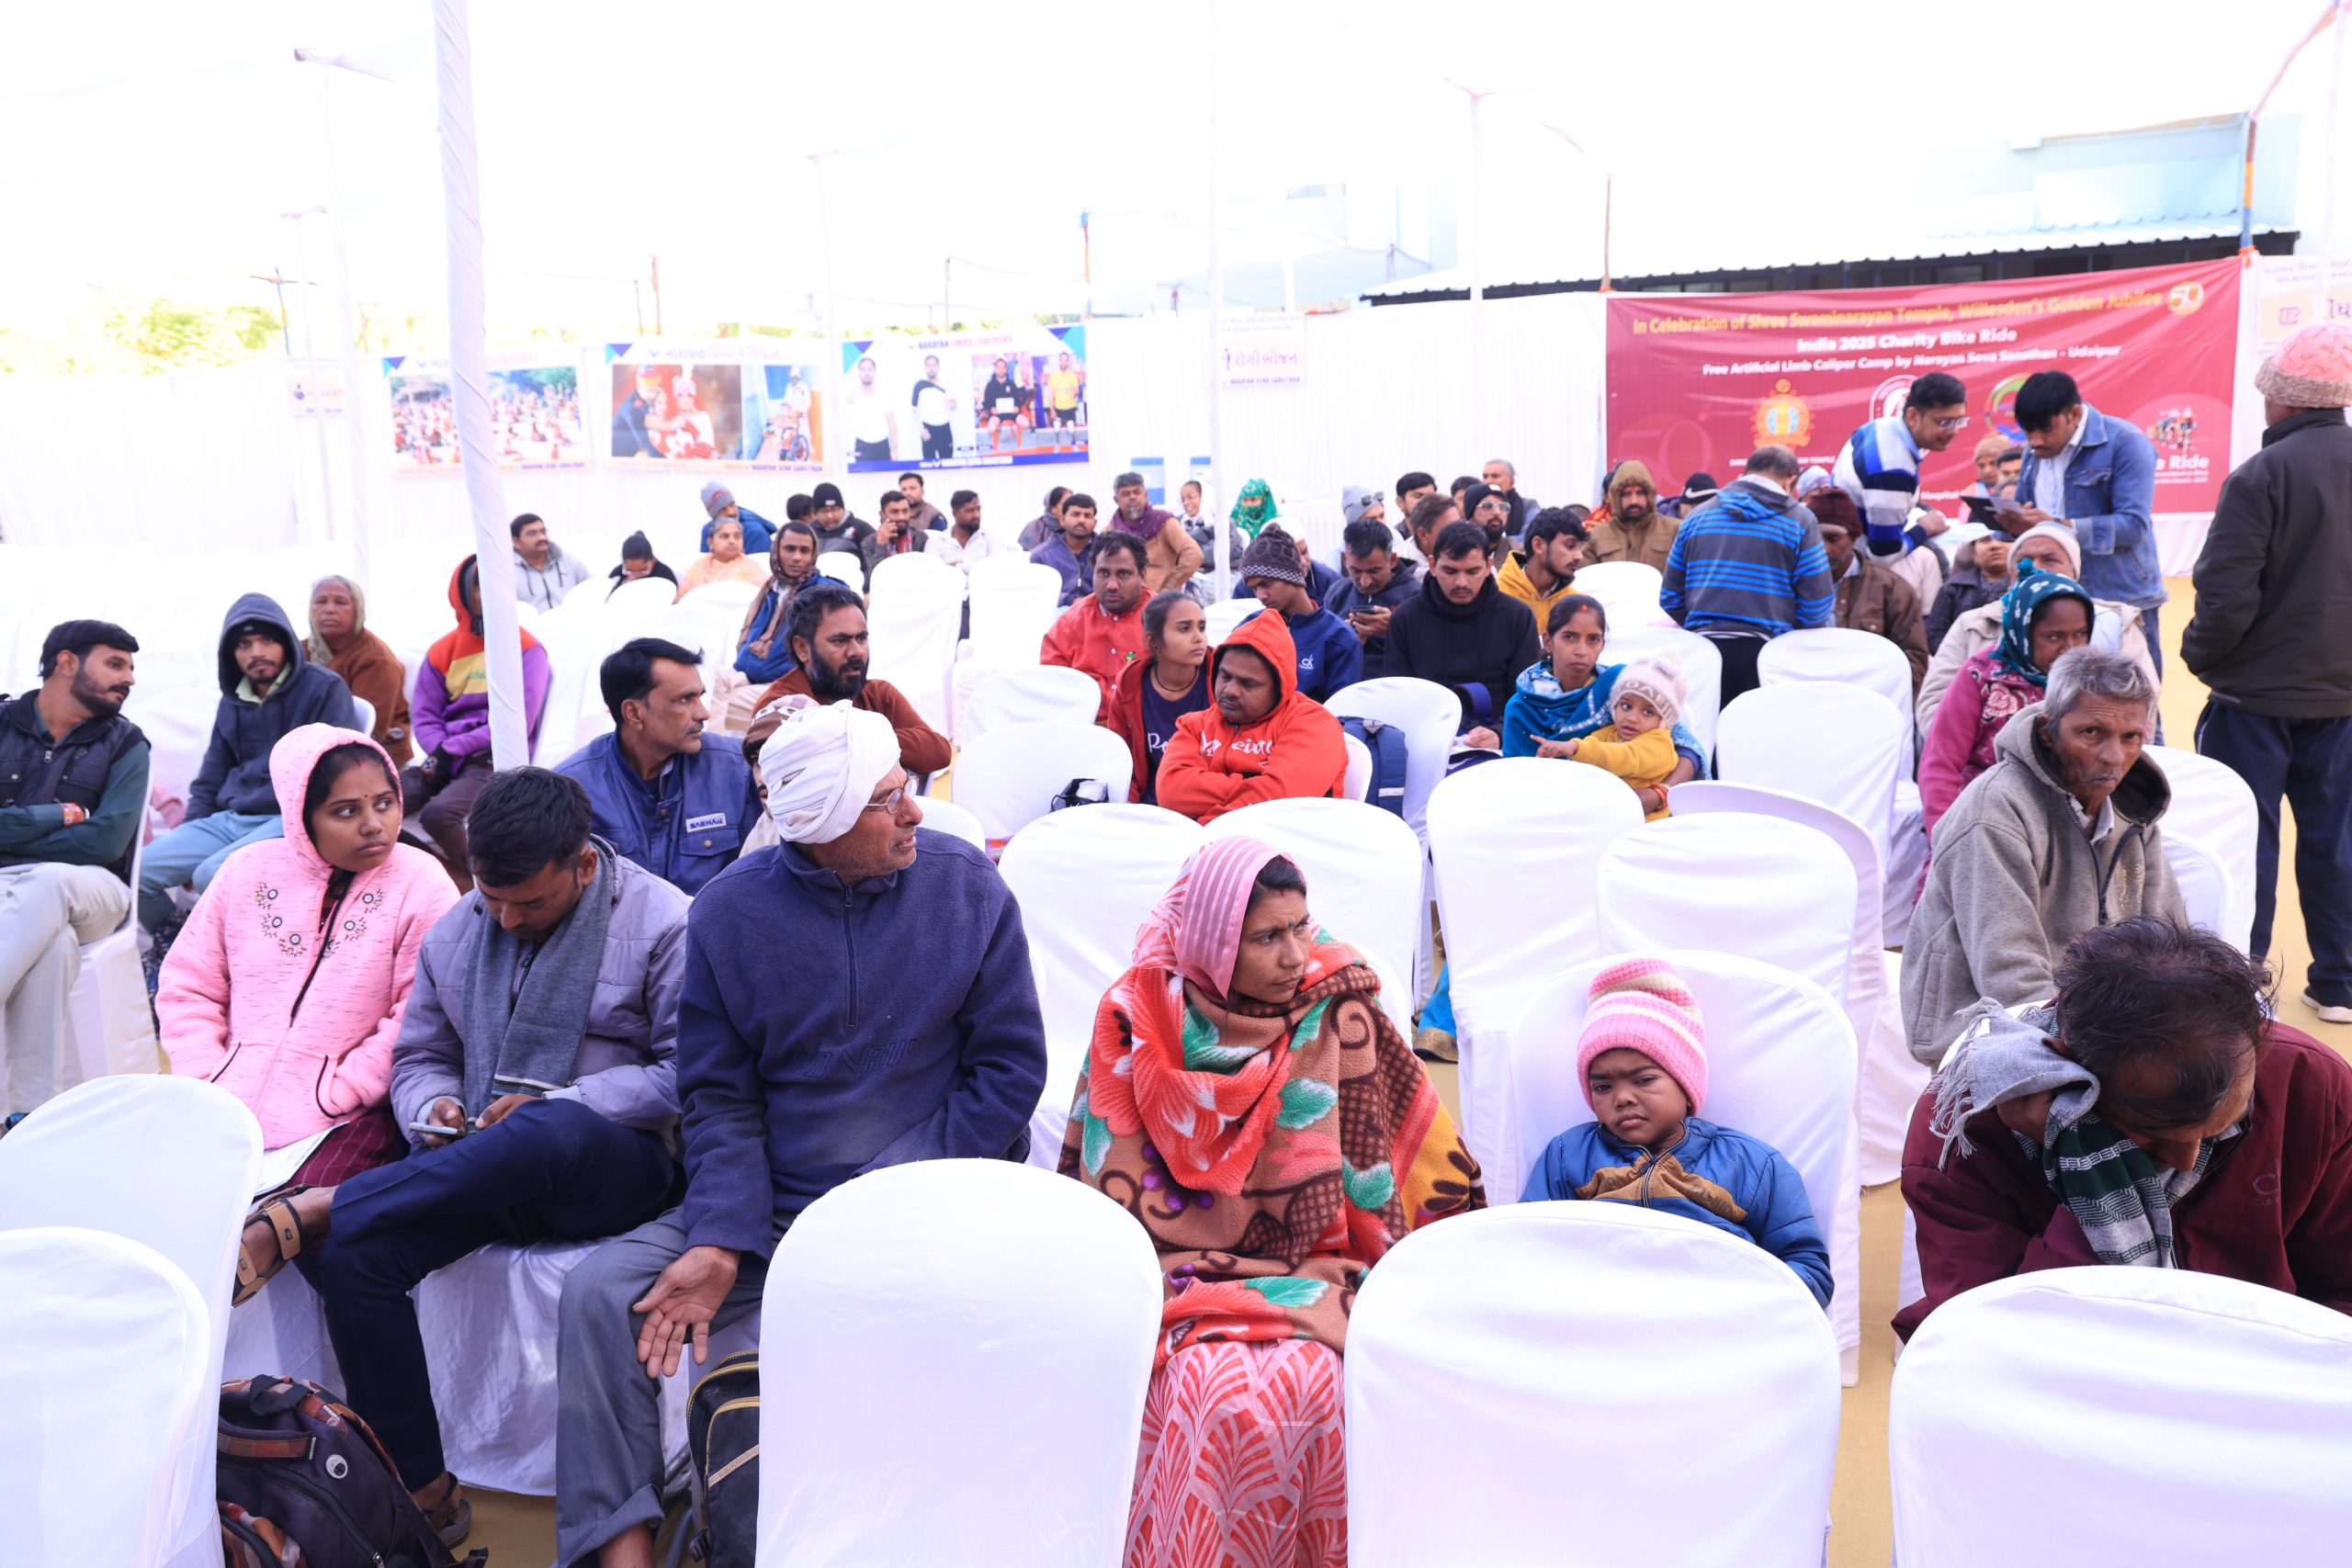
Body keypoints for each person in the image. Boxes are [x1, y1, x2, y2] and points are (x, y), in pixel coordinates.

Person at [555, 698, 1049, 1568]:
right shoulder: (728, 913)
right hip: (775, 1213)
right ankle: (621, 1547)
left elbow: (1008, 1070)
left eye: (905, 788)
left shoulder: (966, 886)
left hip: (932, 1200)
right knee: (600, 1293)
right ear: (821, 825)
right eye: (886, 799)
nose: (915, 812)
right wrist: (719, 1236)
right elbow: (719, 1098)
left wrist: (884, 1196)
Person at [230, 768, 689, 1548]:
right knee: (356, 1256)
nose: (505, 918)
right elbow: (421, 1058)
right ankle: (421, 1487)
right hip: (483, 1160)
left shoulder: (666, 921)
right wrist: (434, 1107)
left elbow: (689, 1073)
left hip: (617, 1167)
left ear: (584, 864)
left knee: (548, 1127)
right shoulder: (461, 926)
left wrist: (567, 1099)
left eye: (530, 902)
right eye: (491, 896)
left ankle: (326, 1201)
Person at [1061, 839, 1483, 1568]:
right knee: (1201, 1388)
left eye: (1300, 927)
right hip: (1170, 1276)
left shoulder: (1339, 1008)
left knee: (1311, 1383)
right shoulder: (1134, 1015)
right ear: (1213, 943)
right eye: (1267, 937)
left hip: (1323, 1270)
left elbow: (1398, 1172)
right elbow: (1104, 1189)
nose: (1295, 954)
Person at [1897, 918, 2352, 1338]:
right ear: (2066, 1070)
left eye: (2222, 1129)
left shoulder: (2310, 1085)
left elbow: (2342, 1293)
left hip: (2269, 1363)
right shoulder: (1963, 1137)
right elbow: (1995, 1341)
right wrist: (2083, 1171)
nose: (2187, 1160)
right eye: (2154, 1135)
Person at [160, 726, 457, 1184]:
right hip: (219, 1106)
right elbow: (189, 984)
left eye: (384, 803)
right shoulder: (247, 870)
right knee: (164, 1194)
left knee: (282, 1218)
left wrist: (343, 1090)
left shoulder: (420, 881)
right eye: (346, 811)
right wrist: (205, 1078)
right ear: (302, 816)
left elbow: (418, 1009)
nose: (373, 824)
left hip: (346, 1117)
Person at [1903, 647, 2185, 1064]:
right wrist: (2103, 1049)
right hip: (1986, 1036)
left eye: (2131, 738)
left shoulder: (2132, 813)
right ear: (2049, 731)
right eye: (2092, 733)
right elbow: (2010, 974)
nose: (2113, 756)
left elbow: (2168, 939)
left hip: (2103, 1028)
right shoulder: (1994, 812)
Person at [2186, 321, 2352, 1024]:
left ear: (2281, 398)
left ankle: (2243, 987)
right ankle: (2341, 982)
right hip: (2342, 699)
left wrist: (2203, 658)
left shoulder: (2261, 475)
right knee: (2337, 841)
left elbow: (2225, 597)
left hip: (2252, 699)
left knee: (2244, 841)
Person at [1522, 958, 1829, 1304]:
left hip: (1714, 1321)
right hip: (1598, 1315)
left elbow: (1809, 1271)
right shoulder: (1567, 1155)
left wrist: (1742, 1304)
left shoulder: (1753, 1165)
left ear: (1686, 1084)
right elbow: (1527, 1244)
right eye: (1603, 1087)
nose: (1622, 1098)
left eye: (1643, 1080)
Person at [141, 593, 359, 930]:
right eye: (244, 644)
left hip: (292, 816)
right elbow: (210, 778)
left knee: (210, 875)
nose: (256, 652)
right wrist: (189, 832)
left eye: (267, 641)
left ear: (286, 642)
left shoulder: (323, 687)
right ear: (231, 653)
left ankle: (248, 953)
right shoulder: (233, 700)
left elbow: (342, 768)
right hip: (233, 818)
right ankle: (177, 944)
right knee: (138, 874)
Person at [1, 620, 147, 1116]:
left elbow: (106, 840)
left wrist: (14, 834)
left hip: (93, 890)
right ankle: (28, 1115)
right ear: (66, 663)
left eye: (130, 667)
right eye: (115, 664)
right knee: (53, 944)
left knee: (49, 881)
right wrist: (55, 815)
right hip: (13, 893)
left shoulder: (126, 743)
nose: (128, 678)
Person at [555, 639, 759, 897]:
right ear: (634, 713)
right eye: (684, 700)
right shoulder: (571, 790)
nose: (703, 713)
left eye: (700, 696)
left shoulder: (737, 768)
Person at [1917, 523, 2156, 731]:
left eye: (2050, 559)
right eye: (2024, 560)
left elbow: (2142, 705)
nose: (2036, 567)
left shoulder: (2114, 624)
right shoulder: (1974, 624)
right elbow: (1934, 704)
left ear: (2074, 571)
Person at [402, 557, 552, 878]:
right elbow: (425, 716)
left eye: (497, 584)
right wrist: (442, 751)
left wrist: (452, 749)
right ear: (461, 593)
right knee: (386, 801)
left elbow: (519, 721)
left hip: (491, 759)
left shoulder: (526, 648)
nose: (490, 593)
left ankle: (484, 883)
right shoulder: (442, 651)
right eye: (479, 586)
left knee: (438, 815)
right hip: (445, 758)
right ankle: (436, 876)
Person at [1918, 566, 2094, 831]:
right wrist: (1946, 835)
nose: (2069, 648)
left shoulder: (2093, 682)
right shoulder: (1981, 676)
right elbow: (1940, 763)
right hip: (1982, 821)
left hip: (2068, 825)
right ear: (2022, 631)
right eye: (2054, 636)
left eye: (2080, 633)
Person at [2009, 369, 2165, 666]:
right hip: (2053, 598)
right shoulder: (2033, 453)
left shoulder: (2126, 442)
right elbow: (2027, 514)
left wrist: (2058, 527)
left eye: (2045, 429)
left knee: (2133, 689)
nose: (2036, 441)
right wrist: (2014, 522)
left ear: (2074, 414)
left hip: (2120, 595)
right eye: (2028, 432)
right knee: (2056, 689)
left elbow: (2133, 525)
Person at [1660, 445, 1834, 704]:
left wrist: (1704, 624)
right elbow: (1816, 606)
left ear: (1747, 472)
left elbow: (1670, 597)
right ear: (1790, 481)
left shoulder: (1696, 518)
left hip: (1703, 657)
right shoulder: (1800, 521)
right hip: (1770, 659)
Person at [1501, 595, 1704, 814]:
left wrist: (1660, 793)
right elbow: (1517, 784)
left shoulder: (1623, 686)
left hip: (1631, 809)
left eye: (1593, 639)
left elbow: (1687, 748)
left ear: (1602, 645)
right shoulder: (1522, 708)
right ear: (1549, 642)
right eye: (1569, 637)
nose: (1581, 650)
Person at [1156, 612, 1349, 825]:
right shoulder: (1195, 725)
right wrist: (1255, 783)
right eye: (1225, 676)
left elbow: (1279, 804)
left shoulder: (1313, 723)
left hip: (1290, 840)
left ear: (1279, 687)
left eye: (1248, 683)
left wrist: (1204, 828)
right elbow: (1170, 792)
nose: (1230, 690)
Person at [752, 583, 953, 779]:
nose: (857, 651)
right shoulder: (778, 705)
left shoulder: (879, 694)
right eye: (839, 641)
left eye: (861, 638)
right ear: (802, 649)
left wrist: (857, 739)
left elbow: (938, 752)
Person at [1385, 520, 1541, 744]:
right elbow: (1397, 697)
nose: (1461, 582)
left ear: (1488, 566)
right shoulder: (1405, 618)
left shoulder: (1517, 617)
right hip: (1424, 740)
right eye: (1450, 571)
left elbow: (1527, 697)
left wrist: (1501, 733)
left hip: (1497, 744)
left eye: (1472, 571)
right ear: (1432, 565)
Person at [1831, 370, 1968, 561]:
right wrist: (1925, 528)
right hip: (1854, 566)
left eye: (1959, 421)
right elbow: (1883, 556)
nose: (1954, 431)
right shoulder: (1892, 469)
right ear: (1912, 416)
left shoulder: (1880, 426)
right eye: (1944, 422)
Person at [1809, 488, 1929, 693]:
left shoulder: (1891, 588)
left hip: (1872, 700)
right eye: (1815, 538)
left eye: (1833, 538)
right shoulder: (1791, 586)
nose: (1824, 548)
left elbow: (1913, 660)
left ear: (1854, 537)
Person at [1544, 657, 1685, 823]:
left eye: (1648, 712)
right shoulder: (1608, 734)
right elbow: (1587, 756)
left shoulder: (1660, 745)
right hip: (1604, 816)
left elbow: (1624, 756)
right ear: (1614, 707)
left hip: (1640, 826)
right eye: (1626, 706)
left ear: (1663, 721)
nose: (1632, 718)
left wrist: (1575, 748)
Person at [1237, 524, 1362, 703]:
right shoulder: (1248, 630)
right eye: (1254, 588)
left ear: (1291, 576)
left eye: (1266, 584)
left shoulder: (1339, 638)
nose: (1260, 596)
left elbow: (1341, 709)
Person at [1106, 592, 1210, 806]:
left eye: (1201, 627)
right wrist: (1128, 807)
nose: (1198, 637)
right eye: (1184, 629)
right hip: (1149, 808)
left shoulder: (1221, 679)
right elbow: (1120, 760)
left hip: (1210, 805)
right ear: (1154, 641)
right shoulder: (1129, 688)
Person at [1039, 530, 1150, 712]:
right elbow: (1052, 690)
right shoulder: (1069, 624)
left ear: (1142, 575)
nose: (1112, 585)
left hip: (1148, 723)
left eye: (1123, 574)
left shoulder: (1164, 620)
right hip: (1084, 722)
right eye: (1103, 573)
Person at [307, 575, 413, 765]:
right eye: (320, 601)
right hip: (309, 749)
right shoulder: (300, 651)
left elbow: (366, 730)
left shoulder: (376, 659)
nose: (329, 609)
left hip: (373, 757)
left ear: (358, 609)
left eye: (340, 602)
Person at [1326, 519, 1420, 681]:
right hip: (1342, 686)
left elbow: (1433, 654)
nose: (1365, 582)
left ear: (1392, 560)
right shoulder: (1337, 593)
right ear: (1344, 560)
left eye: (1374, 571)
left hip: (1397, 687)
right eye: (1355, 571)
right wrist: (1343, 638)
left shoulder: (1416, 596)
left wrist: (1396, 629)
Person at [1924, 527, 2017, 651]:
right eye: (1985, 540)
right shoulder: (1954, 587)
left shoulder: (2025, 586)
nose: (1995, 545)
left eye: (2003, 539)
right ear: (1973, 552)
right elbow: (1935, 633)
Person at [1111, 469, 1204, 593]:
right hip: (1123, 600)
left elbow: (1194, 554)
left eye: (1137, 492)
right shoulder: (1111, 531)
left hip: (1159, 599)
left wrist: (1168, 588)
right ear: (1116, 500)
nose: (1132, 497)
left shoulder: (1163, 522)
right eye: (1126, 494)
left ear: (1145, 495)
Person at [1496, 507, 1588, 626]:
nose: (1579, 556)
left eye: (1581, 547)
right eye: (1570, 545)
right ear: (1538, 545)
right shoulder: (1495, 594)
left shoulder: (1577, 605)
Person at [1583, 459, 1679, 571]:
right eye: (1627, 494)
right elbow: (1586, 578)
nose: (1634, 501)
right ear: (1617, 498)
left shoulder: (1674, 530)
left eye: (1640, 493)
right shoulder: (1596, 536)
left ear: (1649, 495)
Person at [1030, 491, 1100, 607]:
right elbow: (1035, 592)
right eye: (1075, 514)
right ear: (1062, 519)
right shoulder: (1042, 555)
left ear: (1095, 522)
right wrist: (1069, 600)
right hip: (1055, 613)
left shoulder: (1107, 553)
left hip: (1098, 611)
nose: (1081, 520)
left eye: (1087, 516)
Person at [511, 513, 592, 611]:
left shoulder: (567, 560)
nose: (541, 537)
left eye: (543, 531)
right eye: (532, 534)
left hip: (569, 620)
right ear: (516, 542)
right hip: (529, 621)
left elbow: (591, 588)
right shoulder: (508, 570)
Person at [675, 517, 772, 599]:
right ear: (710, 542)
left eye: (737, 536)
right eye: (725, 536)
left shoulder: (751, 567)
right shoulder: (699, 566)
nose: (732, 541)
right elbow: (681, 600)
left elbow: (764, 600)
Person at [861, 489, 931, 577]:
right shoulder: (869, 543)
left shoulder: (920, 538)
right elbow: (875, 577)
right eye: (894, 512)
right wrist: (880, 545)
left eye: (905, 511)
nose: (901, 517)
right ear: (882, 514)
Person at [695, 482, 774, 556]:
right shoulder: (708, 530)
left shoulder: (755, 532)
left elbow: (758, 565)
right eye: (723, 509)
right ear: (714, 515)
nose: (731, 512)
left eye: (732, 505)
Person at [808, 482, 876, 567]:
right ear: (815, 513)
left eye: (834, 510)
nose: (830, 516)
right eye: (824, 511)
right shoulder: (809, 532)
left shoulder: (861, 528)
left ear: (842, 509)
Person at [845, 354, 898, 463]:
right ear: (859, 372)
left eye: (870, 369)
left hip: (882, 445)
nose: (866, 373)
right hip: (862, 446)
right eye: (863, 369)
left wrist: (894, 449)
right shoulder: (852, 395)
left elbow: (892, 423)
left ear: (874, 372)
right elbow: (846, 425)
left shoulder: (883, 394)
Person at [911, 355, 958, 460]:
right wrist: (922, 430)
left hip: (944, 429)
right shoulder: (919, 385)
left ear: (938, 367)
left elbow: (954, 405)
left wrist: (950, 404)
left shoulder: (946, 384)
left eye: (934, 365)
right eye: (928, 365)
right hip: (928, 430)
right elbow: (914, 410)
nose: (931, 368)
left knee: (947, 463)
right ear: (925, 367)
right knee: (928, 465)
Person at [933, 489, 993, 569]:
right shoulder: (937, 542)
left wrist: (958, 565)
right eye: (970, 511)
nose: (976, 515)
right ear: (955, 513)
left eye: (978, 509)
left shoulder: (990, 538)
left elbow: (998, 568)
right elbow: (931, 571)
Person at [606, 533, 678, 599]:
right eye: (630, 571)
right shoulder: (617, 575)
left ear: (652, 560)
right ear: (624, 562)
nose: (636, 576)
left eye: (643, 570)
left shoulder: (665, 575)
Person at [1481, 457, 1539, 536]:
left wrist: (1497, 542)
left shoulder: (1528, 506)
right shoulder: (1477, 505)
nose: (1488, 481)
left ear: (1511, 482)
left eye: (1495, 476)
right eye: (1485, 476)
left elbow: (1528, 537)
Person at [982, 357, 1028, 453]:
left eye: (1003, 367)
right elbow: (986, 403)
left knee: (1026, 423)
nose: (1001, 370)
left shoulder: (1012, 384)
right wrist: (991, 409)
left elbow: (1017, 401)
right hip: (997, 415)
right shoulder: (990, 386)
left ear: (1006, 369)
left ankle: (1019, 448)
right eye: (999, 367)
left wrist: (1017, 408)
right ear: (995, 369)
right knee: (991, 428)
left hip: (1012, 413)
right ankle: (996, 450)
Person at [1046, 349, 1085, 445]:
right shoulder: (1053, 376)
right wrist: (1052, 410)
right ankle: (1057, 443)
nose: (1063, 362)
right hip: (1058, 408)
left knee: (1071, 427)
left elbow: (1077, 391)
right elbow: (1051, 395)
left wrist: (1075, 392)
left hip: (1070, 408)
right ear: (1059, 361)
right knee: (1056, 426)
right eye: (1061, 360)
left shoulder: (1072, 376)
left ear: (1068, 362)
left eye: (1065, 360)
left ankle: (1073, 443)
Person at [1020, 485, 1073, 552]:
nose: (1070, 508)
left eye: (1073, 504)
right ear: (1052, 507)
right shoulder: (1034, 528)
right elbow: (1024, 554)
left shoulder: (1076, 527)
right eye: (1066, 504)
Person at [1229, 476, 1278, 541]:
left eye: (1253, 500)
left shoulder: (1277, 524)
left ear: (1264, 499)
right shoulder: (1236, 521)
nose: (1248, 504)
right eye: (1245, 500)